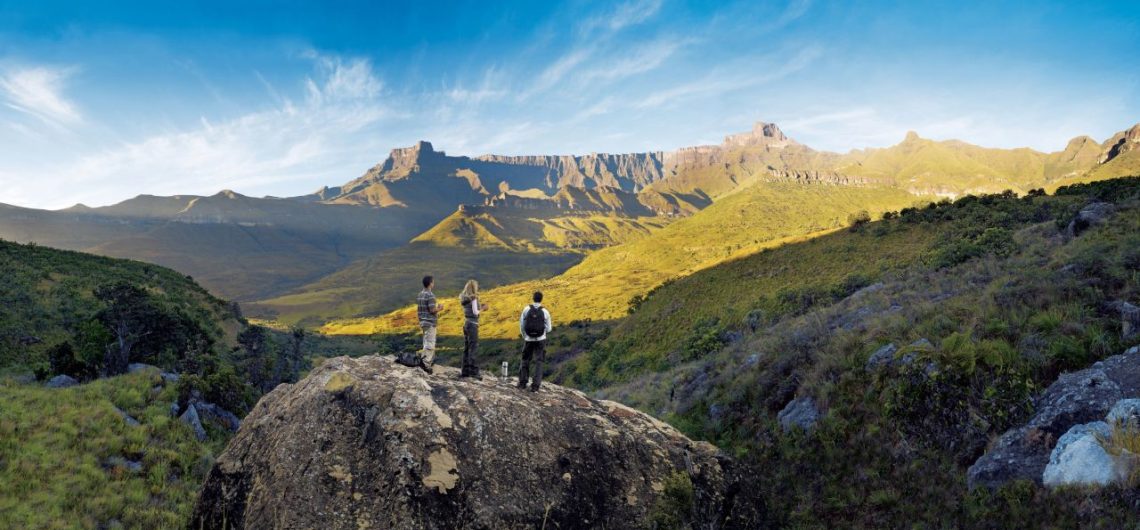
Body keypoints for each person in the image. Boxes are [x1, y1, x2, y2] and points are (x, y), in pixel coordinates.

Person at [518, 291, 552, 392]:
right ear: (541, 299)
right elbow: (549, 328)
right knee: (539, 361)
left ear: (533, 298)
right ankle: (535, 386)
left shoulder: (526, 309)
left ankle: (523, 383)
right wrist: (542, 332)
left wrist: (525, 335)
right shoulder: (545, 311)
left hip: (528, 339)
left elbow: (522, 325)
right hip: (540, 339)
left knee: (525, 359)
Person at [459, 279, 488, 378]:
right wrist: (483, 309)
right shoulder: (474, 299)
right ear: (474, 288)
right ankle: (474, 371)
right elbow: (475, 312)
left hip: (466, 323)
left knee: (467, 348)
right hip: (472, 324)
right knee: (473, 348)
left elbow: (470, 309)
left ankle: (465, 370)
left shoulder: (464, 299)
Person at [416, 275, 444, 374]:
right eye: (433, 282)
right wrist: (439, 308)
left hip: (423, 322)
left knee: (426, 342)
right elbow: (432, 310)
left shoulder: (420, 294)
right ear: (430, 283)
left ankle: (424, 361)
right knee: (430, 344)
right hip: (430, 322)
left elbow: (419, 310)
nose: (433, 283)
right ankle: (426, 364)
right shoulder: (430, 295)